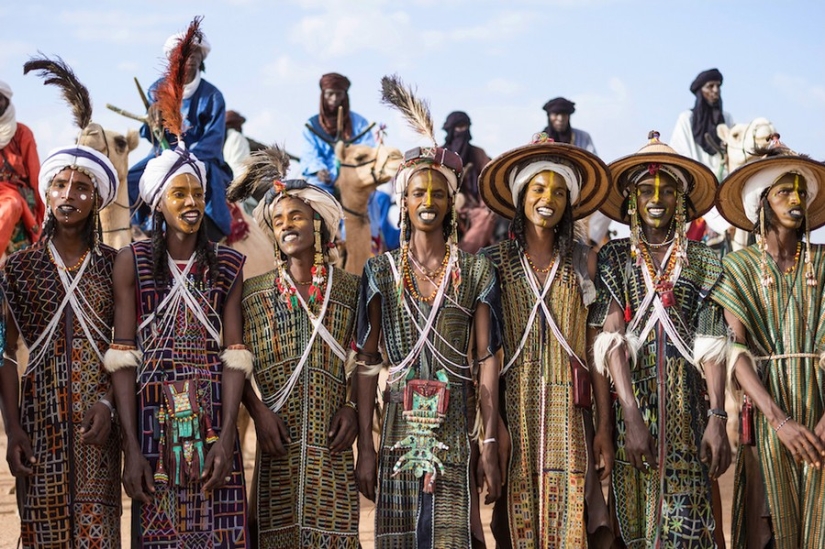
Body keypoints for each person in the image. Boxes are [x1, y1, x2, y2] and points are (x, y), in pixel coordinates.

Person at [109, 28, 250, 547]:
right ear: (162, 205)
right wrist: (131, 445)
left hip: (214, 419)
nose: (190, 202)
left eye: (195, 194)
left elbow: (235, 354)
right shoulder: (133, 261)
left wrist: (228, 438)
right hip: (152, 419)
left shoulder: (229, 265)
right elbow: (124, 354)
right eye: (179, 196)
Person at [355, 75, 502, 549]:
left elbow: (485, 361)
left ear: (452, 203)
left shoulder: (477, 271)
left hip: (457, 424)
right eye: (418, 193)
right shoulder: (379, 271)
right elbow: (366, 361)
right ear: (404, 200)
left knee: (450, 536)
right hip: (397, 425)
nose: (428, 202)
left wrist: (490, 442)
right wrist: (366, 447)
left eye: (439, 193)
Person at [589, 132, 731, 547]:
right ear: (632, 199)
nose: (656, 198)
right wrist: (630, 416)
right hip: (634, 418)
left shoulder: (703, 259)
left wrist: (718, 417)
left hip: (689, 419)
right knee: (636, 528)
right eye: (646, 190)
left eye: (667, 190)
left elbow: (712, 344)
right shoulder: (615, 258)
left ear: (680, 201)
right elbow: (611, 339)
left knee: (689, 529)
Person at [478, 133, 615, 547]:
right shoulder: (493, 262)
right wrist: (491, 424)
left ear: (568, 202)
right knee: (515, 525)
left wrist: (604, 427)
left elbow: (596, 351)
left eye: (558, 192)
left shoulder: (582, 258)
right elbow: (485, 354)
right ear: (521, 196)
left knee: (572, 518)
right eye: (538, 188)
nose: (548, 198)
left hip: (571, 412)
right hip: (513, 408)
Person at [226, 148, 360, 547]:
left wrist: (353, 409)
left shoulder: (351, 291)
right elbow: (237, 363)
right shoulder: (253, 293)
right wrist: (258, 412)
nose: (286, 226)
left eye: (296, 217)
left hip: (332, 447)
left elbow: (365, 362)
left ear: (319, 223)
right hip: (276, 444)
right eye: (279, 220)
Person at [0, 145, 122, 547]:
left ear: (98, 200)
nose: (69, 194)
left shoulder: (115, 264)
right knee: (41, 531)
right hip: (38, 424)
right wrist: (13, 428)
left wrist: (108, 404)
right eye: (60, 185)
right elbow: (5, 353)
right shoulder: (17, 268)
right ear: (46, 194)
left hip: (99, 426)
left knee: (98, 531)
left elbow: (127, 349)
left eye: (83, 187)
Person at [711, 138, 825, 548]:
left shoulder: (824, 261)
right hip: (765, 421)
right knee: (767, 530)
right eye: (783, 191)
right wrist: (779, 420)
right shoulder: (738, 268)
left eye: (799, 191)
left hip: (822, 418)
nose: (795, 199)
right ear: (763, 203)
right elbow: (734, 350)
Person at [127, 26, 234, 241]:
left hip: (201, 157)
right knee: (130, 180)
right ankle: (134, 230)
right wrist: (152, 121)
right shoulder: (156, 90)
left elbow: (213, 139)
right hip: (160, 156)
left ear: (201, 58)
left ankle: (212, 238)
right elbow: (150, 135)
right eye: (183, 55)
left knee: (209, 184)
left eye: (194, 53)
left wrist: (184, 158)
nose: (189, 59)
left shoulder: (213, 96)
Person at [670, 68, 735, 248]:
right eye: (710, 86)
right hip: (696, 190)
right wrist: (703, 180)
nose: (715, 90)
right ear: (700, 90)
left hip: (723, 191)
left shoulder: (727, 119)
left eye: (718, 86)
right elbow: (679, 156)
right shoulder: (686, 119)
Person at [540, 96, 611, 249]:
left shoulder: (583, 137)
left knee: (608, 201)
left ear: (568, 117)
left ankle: (590, 245)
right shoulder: (539, 139)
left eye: (563, 115)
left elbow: (595, 164)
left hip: (581, 192)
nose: (559, 118)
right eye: (556, 115)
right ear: (549, 116)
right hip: (550, 192)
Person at [442, 111, 497, 253]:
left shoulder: (478, 153)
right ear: (450, 130)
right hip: (446, 205)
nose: (461, 131)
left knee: (486, 216)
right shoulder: (441, 154)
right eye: (458, 127)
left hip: (473, 208)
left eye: (464, 126)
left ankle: (462, 254)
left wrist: (485, 206)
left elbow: (488, 180)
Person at [0, 79, 43, 257]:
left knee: (12, 204)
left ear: (7, 102)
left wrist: (41, 215)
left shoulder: (22, 133)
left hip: (13, 193)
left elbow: (35, 176)